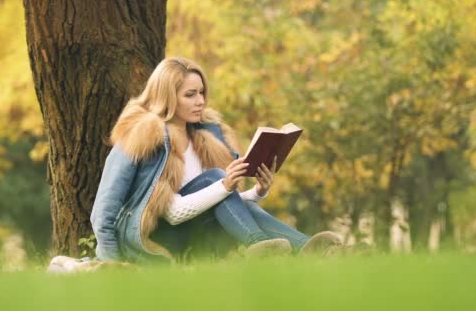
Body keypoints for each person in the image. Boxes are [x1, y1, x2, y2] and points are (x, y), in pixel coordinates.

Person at [90, 57, 341, 263]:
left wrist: (258, 192)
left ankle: (318, 251)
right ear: (168, 96)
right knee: (215, 179)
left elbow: (224, 204)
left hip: (196, 232)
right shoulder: (140, 137)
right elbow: (107, 214)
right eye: (190, 95)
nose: (200, 101)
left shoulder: (207, 134)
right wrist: (113, 266)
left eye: (201, 93)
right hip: (155, 241)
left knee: (237, 198)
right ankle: (263, 248)